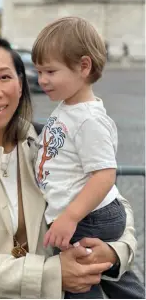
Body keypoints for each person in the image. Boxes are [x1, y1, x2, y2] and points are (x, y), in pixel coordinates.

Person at [0, 35, 137, 299]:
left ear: (21, 85)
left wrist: (113, 253)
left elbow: (113, 205)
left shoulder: (52, 142)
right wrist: (52, 274)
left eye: (5, 77)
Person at [32, 16, 144, 298]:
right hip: (84, 212)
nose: (41, 80)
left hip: (86, 217)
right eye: (39, 72)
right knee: (106, 271)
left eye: (50, 72)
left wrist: (69, 216)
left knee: (78, 280)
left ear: (83, 66)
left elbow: (105, 174)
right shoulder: (70, 107)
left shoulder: (88, 120)